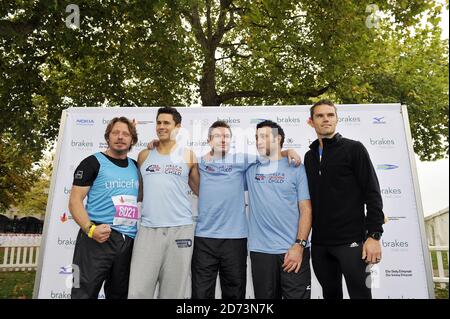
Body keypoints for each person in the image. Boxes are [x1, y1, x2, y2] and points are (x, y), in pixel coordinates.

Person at [147, 120, 302, 299]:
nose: (223, 140)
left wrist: (288, 151)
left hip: (235, 239)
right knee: (201, 293)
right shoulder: (197, 161)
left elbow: (272, 155)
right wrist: (156, 143)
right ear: (209, 140)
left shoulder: (242, 159)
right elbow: (170, 158)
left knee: (234, 293)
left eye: (227, 136)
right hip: (204, 238)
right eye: (218, 136)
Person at [304, 99, 385, 299]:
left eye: (330, 115)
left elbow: (372, 192)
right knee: (330, 295)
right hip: (321, 244)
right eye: (320, 116)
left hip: (352, 242)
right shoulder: (309, 157)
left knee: (361, 295)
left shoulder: (354, 149)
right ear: (311, 122)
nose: (325, 119)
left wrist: (374, 235)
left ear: (337, 119)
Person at [128, 107, 200, 299]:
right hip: (148, 229)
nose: (161, 126)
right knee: (137, 291)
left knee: (173, 293)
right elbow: (139, 193)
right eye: (159, 122)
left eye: (166, 123)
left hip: (181, 229)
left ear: (177, 127)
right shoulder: (144, 155)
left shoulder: (189, 156)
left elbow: (201, 190)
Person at [69, 117, 140, 299]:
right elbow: (75, 201)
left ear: (132, 139)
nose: (120, 137)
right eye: (115, 132)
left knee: (119, 294)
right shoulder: (92, 162)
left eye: (126, 134)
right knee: (83, 292)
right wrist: (90, 229)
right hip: (97, 237)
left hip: (127, 240)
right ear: (108, 137)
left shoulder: (136, 166)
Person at [245, 120, 312, 299]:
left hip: (293, 251)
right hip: (261, 252)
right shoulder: (250, 168)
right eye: (257, 137)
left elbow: (306, 210)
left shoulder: (296, 168)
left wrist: (299, 245)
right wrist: (287, 151)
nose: (259, 141)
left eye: (265, 137)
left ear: (278, 138)